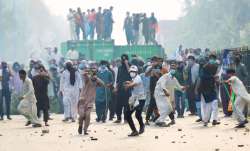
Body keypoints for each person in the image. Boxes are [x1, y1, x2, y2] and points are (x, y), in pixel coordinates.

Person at [78, 67, 104, 135]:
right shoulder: (87, 79)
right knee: (81, 115)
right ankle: (80, 126)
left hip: (90, 101)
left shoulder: (96, 81)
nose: (93, 75)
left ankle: (85, 129)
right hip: (82, 100)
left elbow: (103, 84)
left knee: (88, 115)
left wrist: (96, 78)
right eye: (92, 73)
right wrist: (87, 73)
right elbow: (84, 75)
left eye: (94, 73)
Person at [197, 54, 220, 127]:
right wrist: (212, 77)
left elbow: (217, 77)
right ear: (209, 59)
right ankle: (206, 120)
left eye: (213, 58)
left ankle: (215, 120)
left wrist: (217, 79)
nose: (212, 60)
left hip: (212, 88)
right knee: (208, 106)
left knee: (215, 103)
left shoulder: (216, 67)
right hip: (205, 89)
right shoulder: (204, 67)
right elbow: (202, 76)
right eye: (211, 58)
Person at [124, 65, 146, 136]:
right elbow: (132, 83)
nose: (132, 73)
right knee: (127, 114)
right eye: (131, 72)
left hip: (140, 99)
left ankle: (142, 126)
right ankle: (134, 130)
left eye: (133, 72)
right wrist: (128, 83)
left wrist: (128, 85)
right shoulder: (133, 78)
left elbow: (134, 84)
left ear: (136, 72)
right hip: (134, 99)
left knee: (137, 114)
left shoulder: (138, 78)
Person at [145, 56, 162, 125]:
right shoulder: (150, 67)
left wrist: (155, 74)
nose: (153, 62)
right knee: (152, 103)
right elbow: (146, 74)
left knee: (157, 104)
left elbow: (161, 78)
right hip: (152, 88)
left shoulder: (160, 68)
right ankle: (147, 119)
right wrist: (151, 68)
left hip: (158, 87)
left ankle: (157, 117)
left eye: (155, 61)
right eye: (152, 61)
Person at [114, 54, 131, 123]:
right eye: (122, 59)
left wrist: (127, 64)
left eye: (125, 59)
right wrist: (116, 87)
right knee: (118, 104)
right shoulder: (120, 68)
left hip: (127, 88)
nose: (123, 61)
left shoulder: (130, 66)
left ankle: (126, 119)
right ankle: (118, 118)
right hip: (120, 88)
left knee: (126, 104)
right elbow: (118, 79)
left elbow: (130, 73)